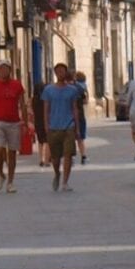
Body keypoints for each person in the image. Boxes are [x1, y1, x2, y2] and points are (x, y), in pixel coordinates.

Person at [0, 61, 28, 192]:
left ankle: (10, 181)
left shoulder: (17, 85)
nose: (3, 71)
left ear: (10, 70)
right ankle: (1, 174)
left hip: (14, 122)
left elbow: (23, 104)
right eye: (1, 69)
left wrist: (24, 122)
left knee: (12, 153)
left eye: (6, 69)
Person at [39, 62, 84, 192]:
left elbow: (75, 109)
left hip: (69, 126)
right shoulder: (48, 90)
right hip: (54, 126)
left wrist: (77, 128)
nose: (60, 73)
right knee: (55, 157)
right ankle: (57, 173)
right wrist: (46, 125)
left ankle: (65, 181)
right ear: (55, 73)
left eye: (62, 71)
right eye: (58, 71)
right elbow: (46, 109)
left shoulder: (72, 90)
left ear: (66, 73)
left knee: (68, 154)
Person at [31, 75, 50, 166]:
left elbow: (32, 110)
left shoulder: (34, 100)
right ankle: (46, 160)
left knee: (40, 141)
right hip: (46, 121)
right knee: (47, 141)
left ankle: (41, 159)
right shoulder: (46, 99)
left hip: (37, 121)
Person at [73, 70, 90, 166]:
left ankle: (72, 156)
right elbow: (85, 100)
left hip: (69, 116)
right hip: (80, 114)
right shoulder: (81, 88)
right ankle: (83, 156)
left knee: (70, 137)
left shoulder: (67, 88)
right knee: (80, 138)